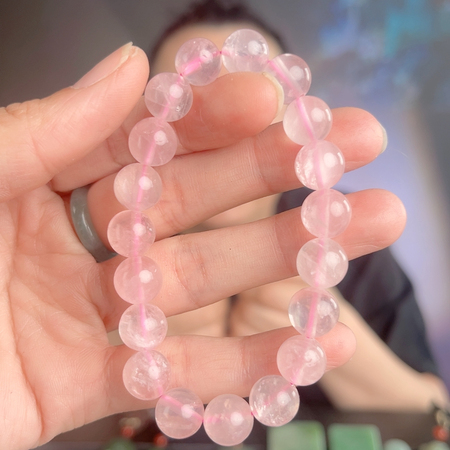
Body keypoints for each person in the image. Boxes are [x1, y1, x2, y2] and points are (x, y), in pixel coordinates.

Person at [0, 5, 446, 450]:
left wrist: (332, 341)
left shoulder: (345, 235)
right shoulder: (84, 254)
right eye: (189, 99)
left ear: (296, 114)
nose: (225, 129)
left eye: (257, 94)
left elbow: (435, 414)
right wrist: (128, 361)